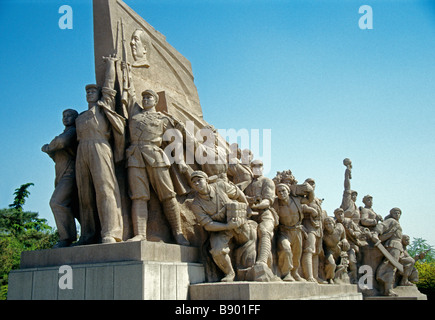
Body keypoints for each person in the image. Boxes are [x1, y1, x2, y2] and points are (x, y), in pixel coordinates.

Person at [120, 66, 190, 245]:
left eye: (149, 97)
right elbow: (128, 93)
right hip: (135, 156)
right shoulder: (134, 115)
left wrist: (180, 161)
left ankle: (178, 233)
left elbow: (175, 141)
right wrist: (123, 71)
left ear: (155, 100)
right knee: (139, 196)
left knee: (168, 195)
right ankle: (140, 234)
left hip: (156, 156)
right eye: (143, 97)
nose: (145, 99)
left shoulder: (162, 119)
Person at [74, 54, 125, 245]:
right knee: (84, 194)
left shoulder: (104, 108)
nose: (89, 94)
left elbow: (109, 88)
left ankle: (111, 232)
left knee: (105, 189)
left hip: (100, 147)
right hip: (82, 151)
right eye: (87, 92)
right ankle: (87, 234)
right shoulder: (81, 117)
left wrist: (111, 64)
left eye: (93, 91)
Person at [190, 170, 257, 282]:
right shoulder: (196, 204)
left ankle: (252, 268)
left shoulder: (220, 186)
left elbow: (238, 193)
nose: (197, 184)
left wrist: (247, 206)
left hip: (237, 221)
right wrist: (227, 226)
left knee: (250, 239)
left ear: (206, 180)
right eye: (194, 182)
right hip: (220, 228)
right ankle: (230, 273)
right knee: (217, 251)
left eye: (199, 180)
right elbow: (208, 225)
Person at [42, 109, 79, 248]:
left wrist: (47, 147)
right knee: (74, 207)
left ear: (75, 119)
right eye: (64, 116)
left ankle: (66, 238)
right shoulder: (65, 132)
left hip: (70, 174)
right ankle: (88, 234)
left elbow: (60, 143)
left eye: (69, 116)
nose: (66, 118)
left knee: (57, 202)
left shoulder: (72, 132)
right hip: (60, 174)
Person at [273, 183, 311, 281]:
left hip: (297, 231)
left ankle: (295, 273)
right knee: (285, 249)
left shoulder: (296, 200)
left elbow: (309, 200)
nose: (281, 193)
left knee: (296, 253)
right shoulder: (275, 203)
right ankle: (286, 273)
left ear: (288, 191)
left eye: (283, 191)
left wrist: (310, 190)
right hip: (284, 232)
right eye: (279, 192)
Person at [244, 160, 278, 269]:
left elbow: (268, 201)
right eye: (254, 167)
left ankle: (262, 261)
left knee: (264, 231)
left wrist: (254, 206)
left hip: (265, 213)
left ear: (263, 168)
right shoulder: (247, 185)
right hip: (251, 215)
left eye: (259, 166)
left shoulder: (267, 181)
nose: (257, 169)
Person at [371, 207, 403, 296]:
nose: (397, 215)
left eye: (399, 213)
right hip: (393, 245)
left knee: (393, 267)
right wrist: (375, 233)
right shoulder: (392, 221)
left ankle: (389, 288)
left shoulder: (397, 223)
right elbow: (381, 226)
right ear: (391, 214)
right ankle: (388, 289)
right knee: (391, 266)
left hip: (398, 246)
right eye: (395, 213)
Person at [322, 216, 350, 284]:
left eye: (330, 223)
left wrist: (344, 239)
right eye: (326, 224)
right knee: (331, 264)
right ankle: (329, 278)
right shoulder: (323, 234)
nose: (328, 226)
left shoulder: (339, 228)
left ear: (334, 224)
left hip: (339, 249)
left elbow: (343, 236)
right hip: (329, 251)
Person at [340, 158, 360, 224]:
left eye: (355, 195)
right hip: (347, 225)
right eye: (353, 195)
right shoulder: (347, 201)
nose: (354, 196)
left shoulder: (355, 206)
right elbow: (347, 187)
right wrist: (346, 176)